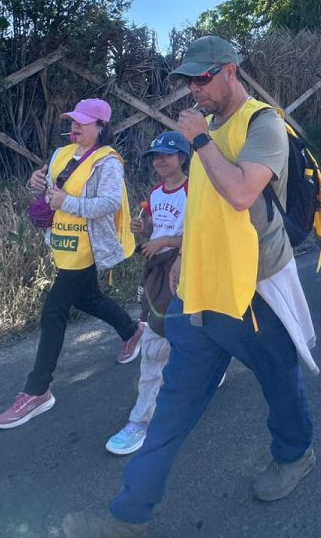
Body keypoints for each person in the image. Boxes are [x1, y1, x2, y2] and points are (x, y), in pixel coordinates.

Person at [73, 37, 318, 537]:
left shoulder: (262, 123)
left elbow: (240, 192)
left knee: (279, 379)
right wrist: (185, 256)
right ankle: (129, 512)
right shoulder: (205, 128)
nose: (194, 90)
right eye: (188, 81)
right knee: (174, 402)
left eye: (202, 79)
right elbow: (204, 210)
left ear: (230, 71)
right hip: (201, 289)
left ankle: (295, 455)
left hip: (252, 289)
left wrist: (201, 140)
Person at [0, 99, 143, 430]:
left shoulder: (107, 162)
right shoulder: (61, 154)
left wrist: (68, 202)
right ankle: (131, 330)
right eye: (73, 121)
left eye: (83, 122)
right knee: (87, 298)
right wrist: (35, 183)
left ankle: (37, 390)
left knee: (54, 310)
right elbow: (51, 191)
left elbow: (109, 203)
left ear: (101, 127)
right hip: (63, 242)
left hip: (88, 247)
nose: (75, 126)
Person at [105, 130, 191, 456]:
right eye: (155, 156)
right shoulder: (155, 193)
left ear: (182, 157)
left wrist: (165, 242)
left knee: (157, 343)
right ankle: (144, 415)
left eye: (166, 155)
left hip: (184, 269)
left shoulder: (195, 191)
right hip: (157, 272)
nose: (159, 161)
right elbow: (160, 229)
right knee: (164, 335)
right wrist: (146, 230)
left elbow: (201, 235)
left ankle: (141, 421)